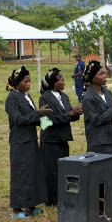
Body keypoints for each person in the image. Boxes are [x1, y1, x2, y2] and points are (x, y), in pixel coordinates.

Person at [5, 66, 53, 219]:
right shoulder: (11, 98)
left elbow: (35, 117)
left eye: (29, 81)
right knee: (21, 174)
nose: (28, 84)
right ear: (17, 82)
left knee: (32, 172)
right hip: (20, 141)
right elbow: (19, 119)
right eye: (25, 81)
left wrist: (48, 124)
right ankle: (16, 209)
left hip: (31, 139)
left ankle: (30, 205)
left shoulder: (27, 96)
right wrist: (37, 113)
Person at [82, 60, 112, 208]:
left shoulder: (107, 92)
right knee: (99, 174)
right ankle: (99, 206)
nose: (105, 76)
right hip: (98, 141)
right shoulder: (88, 98)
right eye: (101, 74)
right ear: (92, 77)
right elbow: (96, 120)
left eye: (104, 73)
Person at [39, 68, 83, 207]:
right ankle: (51, 200)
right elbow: (49, 121)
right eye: (61, 80)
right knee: (51, 171)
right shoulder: (45, 97)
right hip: (50, 139)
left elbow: (69, 116)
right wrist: (70, 114)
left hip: (63, 138)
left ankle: (61, 196)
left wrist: (76, 112)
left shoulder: (64, 96)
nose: (64, 82)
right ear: (53, 82)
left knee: (63, 169)